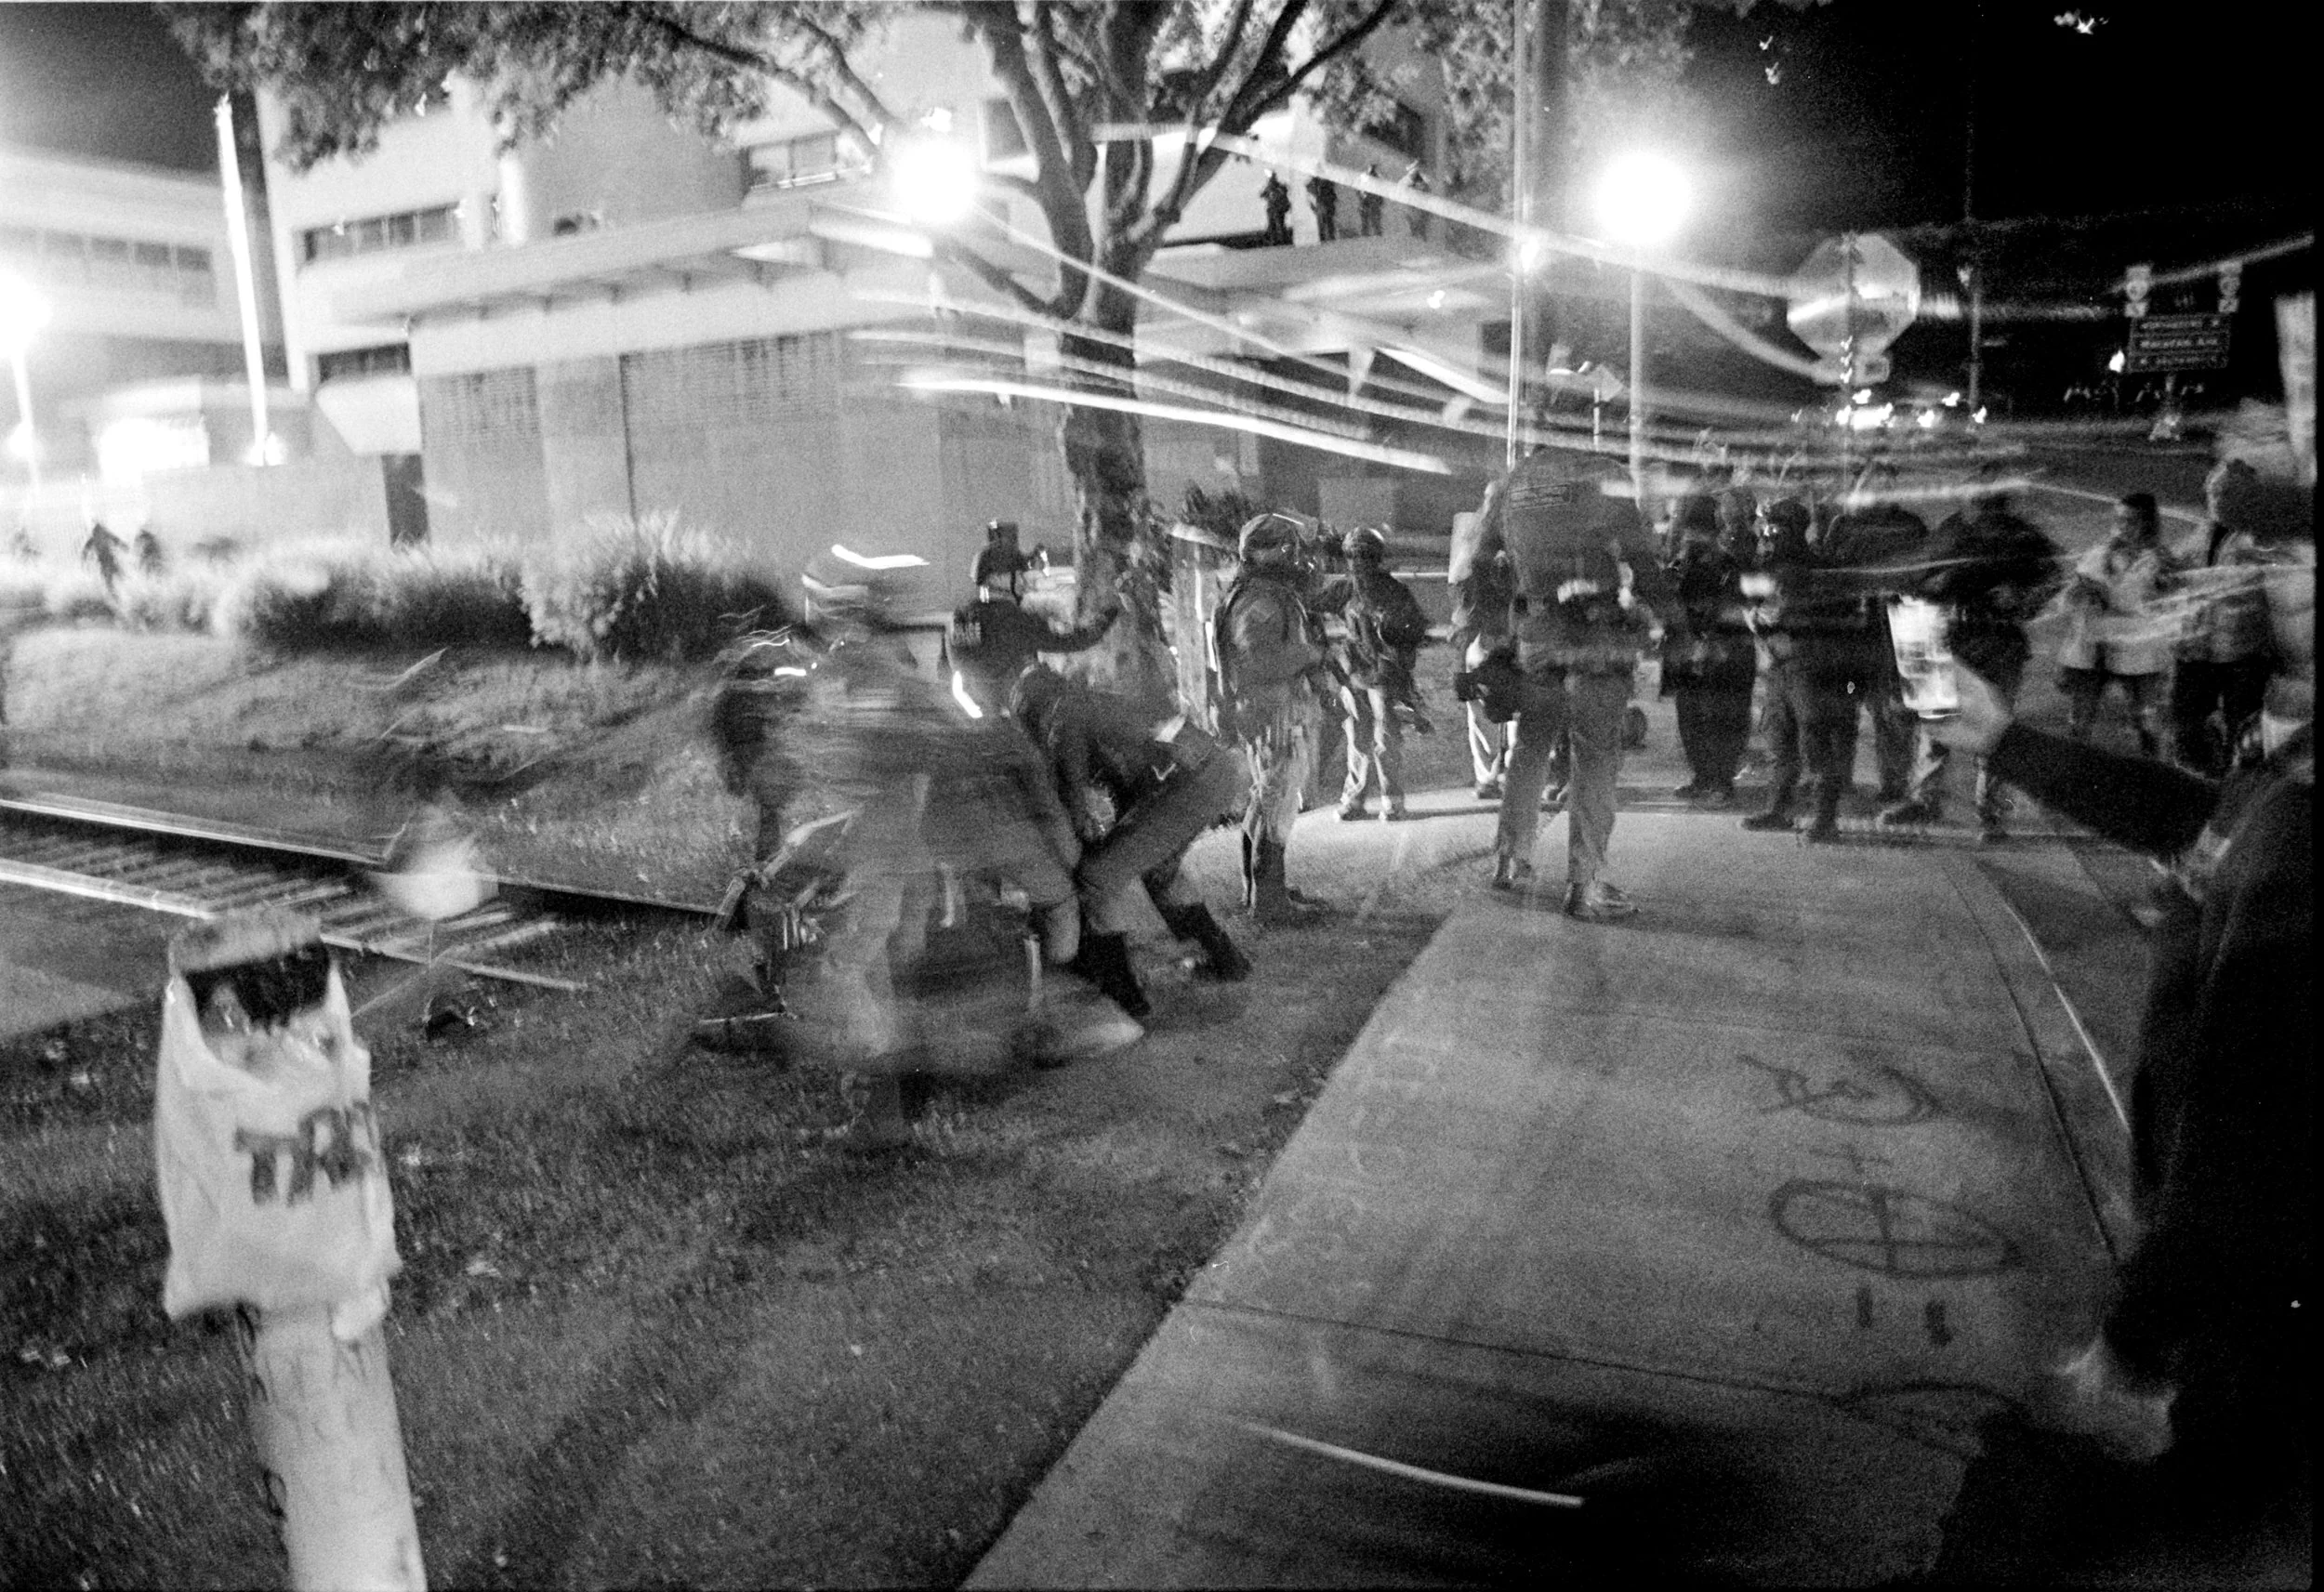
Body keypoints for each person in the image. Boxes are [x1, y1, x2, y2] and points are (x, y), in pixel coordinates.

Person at [1925, 527, 2311, 1464]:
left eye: (2293, 557)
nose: (2260, 569)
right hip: (2216, 1251)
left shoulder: (2306, 820)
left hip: (2243, 1275)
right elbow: (2200, 819)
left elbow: (2250, 1108)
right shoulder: (2287, 757)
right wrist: (2006, 740)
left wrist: (2140, 1331)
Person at [1472, 444, 1682, 919]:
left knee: (1530, 745)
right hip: (1595, 639)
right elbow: (1642, 561)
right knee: (1595, 754)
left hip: (1537, 636)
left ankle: (1510, 860)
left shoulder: (1516, 480)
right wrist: (1675, 624)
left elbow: (1482, 561)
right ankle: (1584, 886)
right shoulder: (1604, 475)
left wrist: (1496, 630)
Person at [1010, 664, 1252, 1017]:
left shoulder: (1064, 719)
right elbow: (1132, 773)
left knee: (1095, 876)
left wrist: (1076, 845)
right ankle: (1226, 959)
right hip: (1214, 771)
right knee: (1158, 870)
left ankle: (1122, 995)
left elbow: (1073, 795)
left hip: (1187, 788)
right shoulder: (1094, 701)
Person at [1880, 468, 2065, 842]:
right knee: (1935, 722)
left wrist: (2020, 598)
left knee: (1993, 728)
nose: (1975, 506)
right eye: (1974, 499)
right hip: (1947, 633)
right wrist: (1921, 588)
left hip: (1997, 639)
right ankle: (1925, 799)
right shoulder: (1954, 529)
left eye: (1983, 499)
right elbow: (1918, 572)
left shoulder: (2019, 537)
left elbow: (2051, 577)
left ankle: (1991, 814)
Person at [1214, 512, 1328, 925]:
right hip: (1272, 711)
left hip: (1267, 708)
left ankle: (1261, 889)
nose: (1294, 556)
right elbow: (1260, 662)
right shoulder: (1259, 601)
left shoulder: (1257, 593)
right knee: (1277, 801)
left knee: (1267, 799)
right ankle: (1269, 900)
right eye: (1286, 546)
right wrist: (1310, 654)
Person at [1738, 496, 1868, 842]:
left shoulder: (1806, 569)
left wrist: (1760, 616)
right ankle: (1780, 809)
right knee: (1781, 738)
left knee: (1815, 739)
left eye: (1774, 528)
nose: (1768, 535)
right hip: (1785, 665)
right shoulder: (1782, 566)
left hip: (1809, 664)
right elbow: (1760, 611)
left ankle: (1824, 819)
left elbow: (1773, 614)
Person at [1823, 458, 1931, 802]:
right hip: (1853, 636)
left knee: (1892, 713)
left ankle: (1893, 786)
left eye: (1889, 484)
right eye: (1876, 484)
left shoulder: (1909, 527)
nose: (1882, 491)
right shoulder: (1844, 525)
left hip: (1894, 636)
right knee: (1845, 704)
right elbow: (1829, 574)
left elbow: (1923, 575)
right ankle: (1837, 780)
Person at [1315, 524, 1432, 822]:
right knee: (1357, 738)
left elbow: (1416, 630)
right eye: (1353, 556)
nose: (1358, 562)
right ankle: (1354, 800)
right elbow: (1310, 609)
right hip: (1354, 673)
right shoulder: (1345, 589)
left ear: (1375, 558)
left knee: (1386, 740)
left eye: (1364, 555)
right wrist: (1324, 649)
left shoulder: (1394, 591)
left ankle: (1392, 801)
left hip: (1385, 675)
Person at [947, 520, 1119, 717]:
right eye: (1017, 576)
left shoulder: (959, 618)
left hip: (973, 719)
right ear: (996, 579)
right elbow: (1075, 640)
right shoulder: (1009, 619)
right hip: (1014, 721)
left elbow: (950, 669)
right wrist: (1111, 611)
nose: (1023, 583)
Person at [2169, 459, 2274, 774]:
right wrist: (2166, 570)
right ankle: (2200, 777)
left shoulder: (2262, 537)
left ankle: (2233, 785)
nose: (2214, 499)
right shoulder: (2204, 531)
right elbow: (2180, 570)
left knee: (2241, 729)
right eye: (2212, 491)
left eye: (2224, 493)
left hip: (2243, 652)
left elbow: (2245, 583)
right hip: (2195, 647)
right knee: (2186, 722)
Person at [2058, 492, 2176, 755]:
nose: (2123, 527)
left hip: (2141, 650)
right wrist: (2081, 595)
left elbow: (2168, 603)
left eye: (2131, 521)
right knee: (2080, 723)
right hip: (2096, 649)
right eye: (2119, 520)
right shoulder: (2099, 556)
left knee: (2147, 724)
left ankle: (2152, 771)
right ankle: (2074, 769)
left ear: (2147, 524)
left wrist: (2109, 595)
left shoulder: (2160, 561)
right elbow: (2069, 603)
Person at [1660, 494, 1754, 806]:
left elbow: (1730, 607)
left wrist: (1707, 640)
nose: (1685, 537)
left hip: (1721, 654)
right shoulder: (1682, 564)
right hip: (1692, 655)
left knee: (1720, 720)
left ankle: (1721, 781)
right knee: (1691, 718)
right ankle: (1703, 777)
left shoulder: (1725, 563)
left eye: (1690, 529)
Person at [1449, 495, 1512, 798]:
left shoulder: (1475, 545)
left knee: (1484, 711)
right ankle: (1500, 774)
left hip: (1485, 640)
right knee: (1495, 710)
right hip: (1491, 639)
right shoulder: (1492, 546)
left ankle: (1493, 775)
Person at [81, 520, 125, 596]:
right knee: (111, 579)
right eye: (97, 532)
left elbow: (116, 540)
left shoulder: (103, 535)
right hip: (105, 561)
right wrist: (84, 560)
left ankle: (121, 591)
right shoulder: (95, 538)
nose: (99, 535)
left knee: (117, 576)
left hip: (109, 560)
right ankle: (115, 594)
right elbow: (86, 550)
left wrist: (123, 546)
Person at [1261, 171, 1293, 245]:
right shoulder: (1269, 187)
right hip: (1271, 209)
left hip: (1279, 209)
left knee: (1280, 225)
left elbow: (1284, 192)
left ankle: (1283, 240)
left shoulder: (1280, 187)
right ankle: (1274, 241)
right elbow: (1262, 195)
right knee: (1272, 226)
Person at [1305, 173, 1339, 243]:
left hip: (1326, 202)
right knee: (1324, 220)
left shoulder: (1324, 181)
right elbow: (1310, 188)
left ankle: (1329, 236)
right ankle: (1326, 236)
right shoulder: (1316, 180)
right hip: (1322, 202)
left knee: (1327, 220)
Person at [1400, 163, 1432, 239]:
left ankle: (1420, 235)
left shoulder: (1423, 182)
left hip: (1419, 207)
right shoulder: (1409, 182)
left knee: (1419, 221)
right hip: (1413, 206)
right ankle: (1416, 234)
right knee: (1413, 220)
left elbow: (1426, 191)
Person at [1355, 165, 1385, 237]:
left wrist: (1380, 199)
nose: (1372, 169)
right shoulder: (1363, 177)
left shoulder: (1378, 177)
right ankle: (1367, 234)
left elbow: (1382, 190)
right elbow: (1358, 189)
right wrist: (1362, 196)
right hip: (1366, 201)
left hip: (1373, 201)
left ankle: (1376, 234)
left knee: (1375, 220)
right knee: (1366, 220)